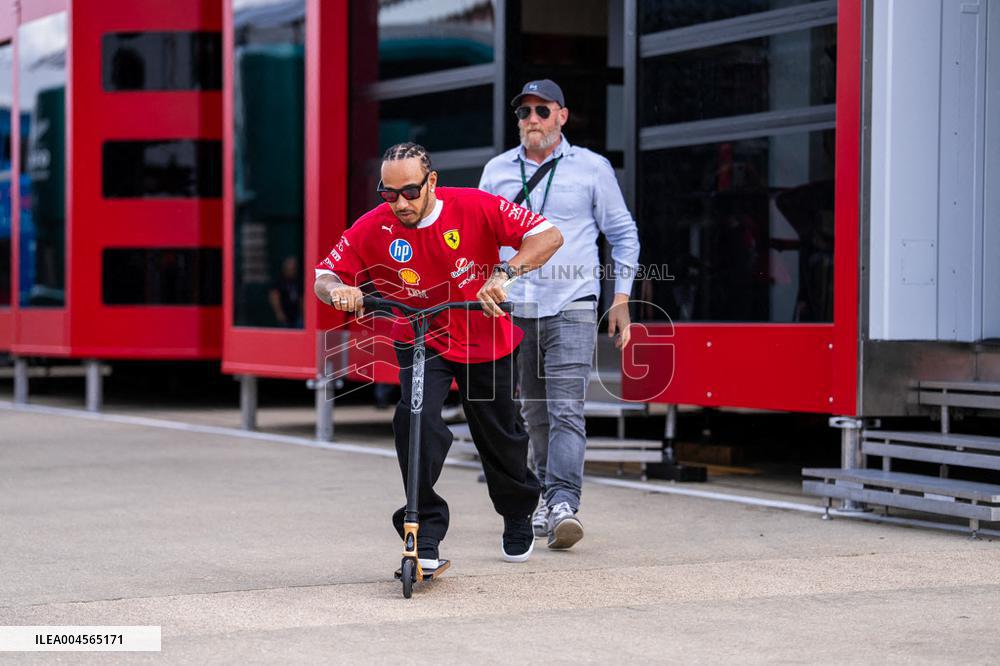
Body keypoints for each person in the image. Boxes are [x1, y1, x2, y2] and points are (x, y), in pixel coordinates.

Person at [314, 142, 564, 570]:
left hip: (484, 337)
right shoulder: (374, 226)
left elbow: (549, 235)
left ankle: (517, 511)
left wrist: (504, 273)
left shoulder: (475, 206)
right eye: (389, 194)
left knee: (500, 436)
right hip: (421, 337)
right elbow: (324, 275)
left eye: (410, 192)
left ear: (432, 182)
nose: (400, 203)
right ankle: (422, 530)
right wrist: (338, 290)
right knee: (415, 424)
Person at [479, 79, 640, 550]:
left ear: (562, 116)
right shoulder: (496, 171)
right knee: (533, 412)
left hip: (573, 301)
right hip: (515, 306)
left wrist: (621, 298)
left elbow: (623, 235)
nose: (532, 119)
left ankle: (565, 502)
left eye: (542, 110)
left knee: (567, 407)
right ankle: (550, 499)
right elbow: (480, 238)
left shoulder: (592, 168)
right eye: (524, 112)